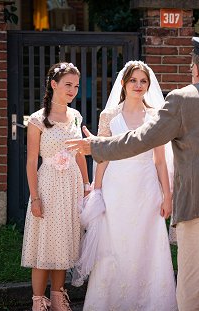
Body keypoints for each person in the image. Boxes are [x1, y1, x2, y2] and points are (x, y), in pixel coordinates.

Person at [66, 37, 199, 311]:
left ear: (196, 69)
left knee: (196, 287)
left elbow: (141, 139)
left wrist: (96, 145)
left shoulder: (181, 99)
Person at [81, 60, 178, 310]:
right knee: (114, 243)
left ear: (149, 84)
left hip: (146, 187)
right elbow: (101, 155)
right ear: (123, 83)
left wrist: (167, 196)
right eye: (133, 80)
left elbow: (159, 161)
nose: (138, 85)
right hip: (116, 187)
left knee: (147, 243)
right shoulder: (109, 116)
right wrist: (96, 188)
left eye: (143, 81)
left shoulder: (156, 116)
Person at [21, 62, 90, 311]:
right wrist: (35, 198)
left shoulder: (75, 116)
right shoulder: (38, 120)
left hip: (71, 184)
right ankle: (39, 302)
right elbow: (31, 162)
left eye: (76, 86)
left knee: (64, 243)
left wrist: (86, 185)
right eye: (68, 85)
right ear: (54, 84)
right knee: (44, 244)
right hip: (48, 185)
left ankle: (59, 297)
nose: (73, 90)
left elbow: (81, 153)